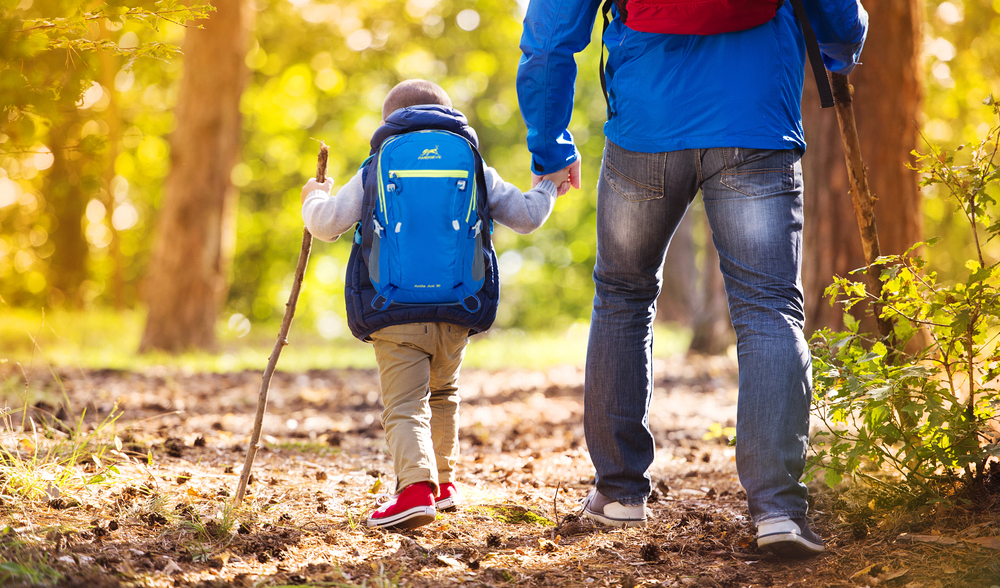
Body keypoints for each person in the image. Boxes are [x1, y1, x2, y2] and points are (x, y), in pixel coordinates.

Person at [516, 0, 868, 557]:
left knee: (623, 296)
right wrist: (843, 49)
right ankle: (778, 509)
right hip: (756, 118)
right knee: (768, 308)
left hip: (645, 125)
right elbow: (838, 16)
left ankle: (619, 494)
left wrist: (550, 145)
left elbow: (550, 37)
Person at [301, 79, 565, 530]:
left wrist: (313, 196)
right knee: (443, 394)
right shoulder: (473, 162)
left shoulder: (377, 165)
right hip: (456, 307)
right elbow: (525, 216)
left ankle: (414, 490)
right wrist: (549, 185)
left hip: (393, 307)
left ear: (388, 123)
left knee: (404, 404)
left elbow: (327, 225)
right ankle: (442, 485)